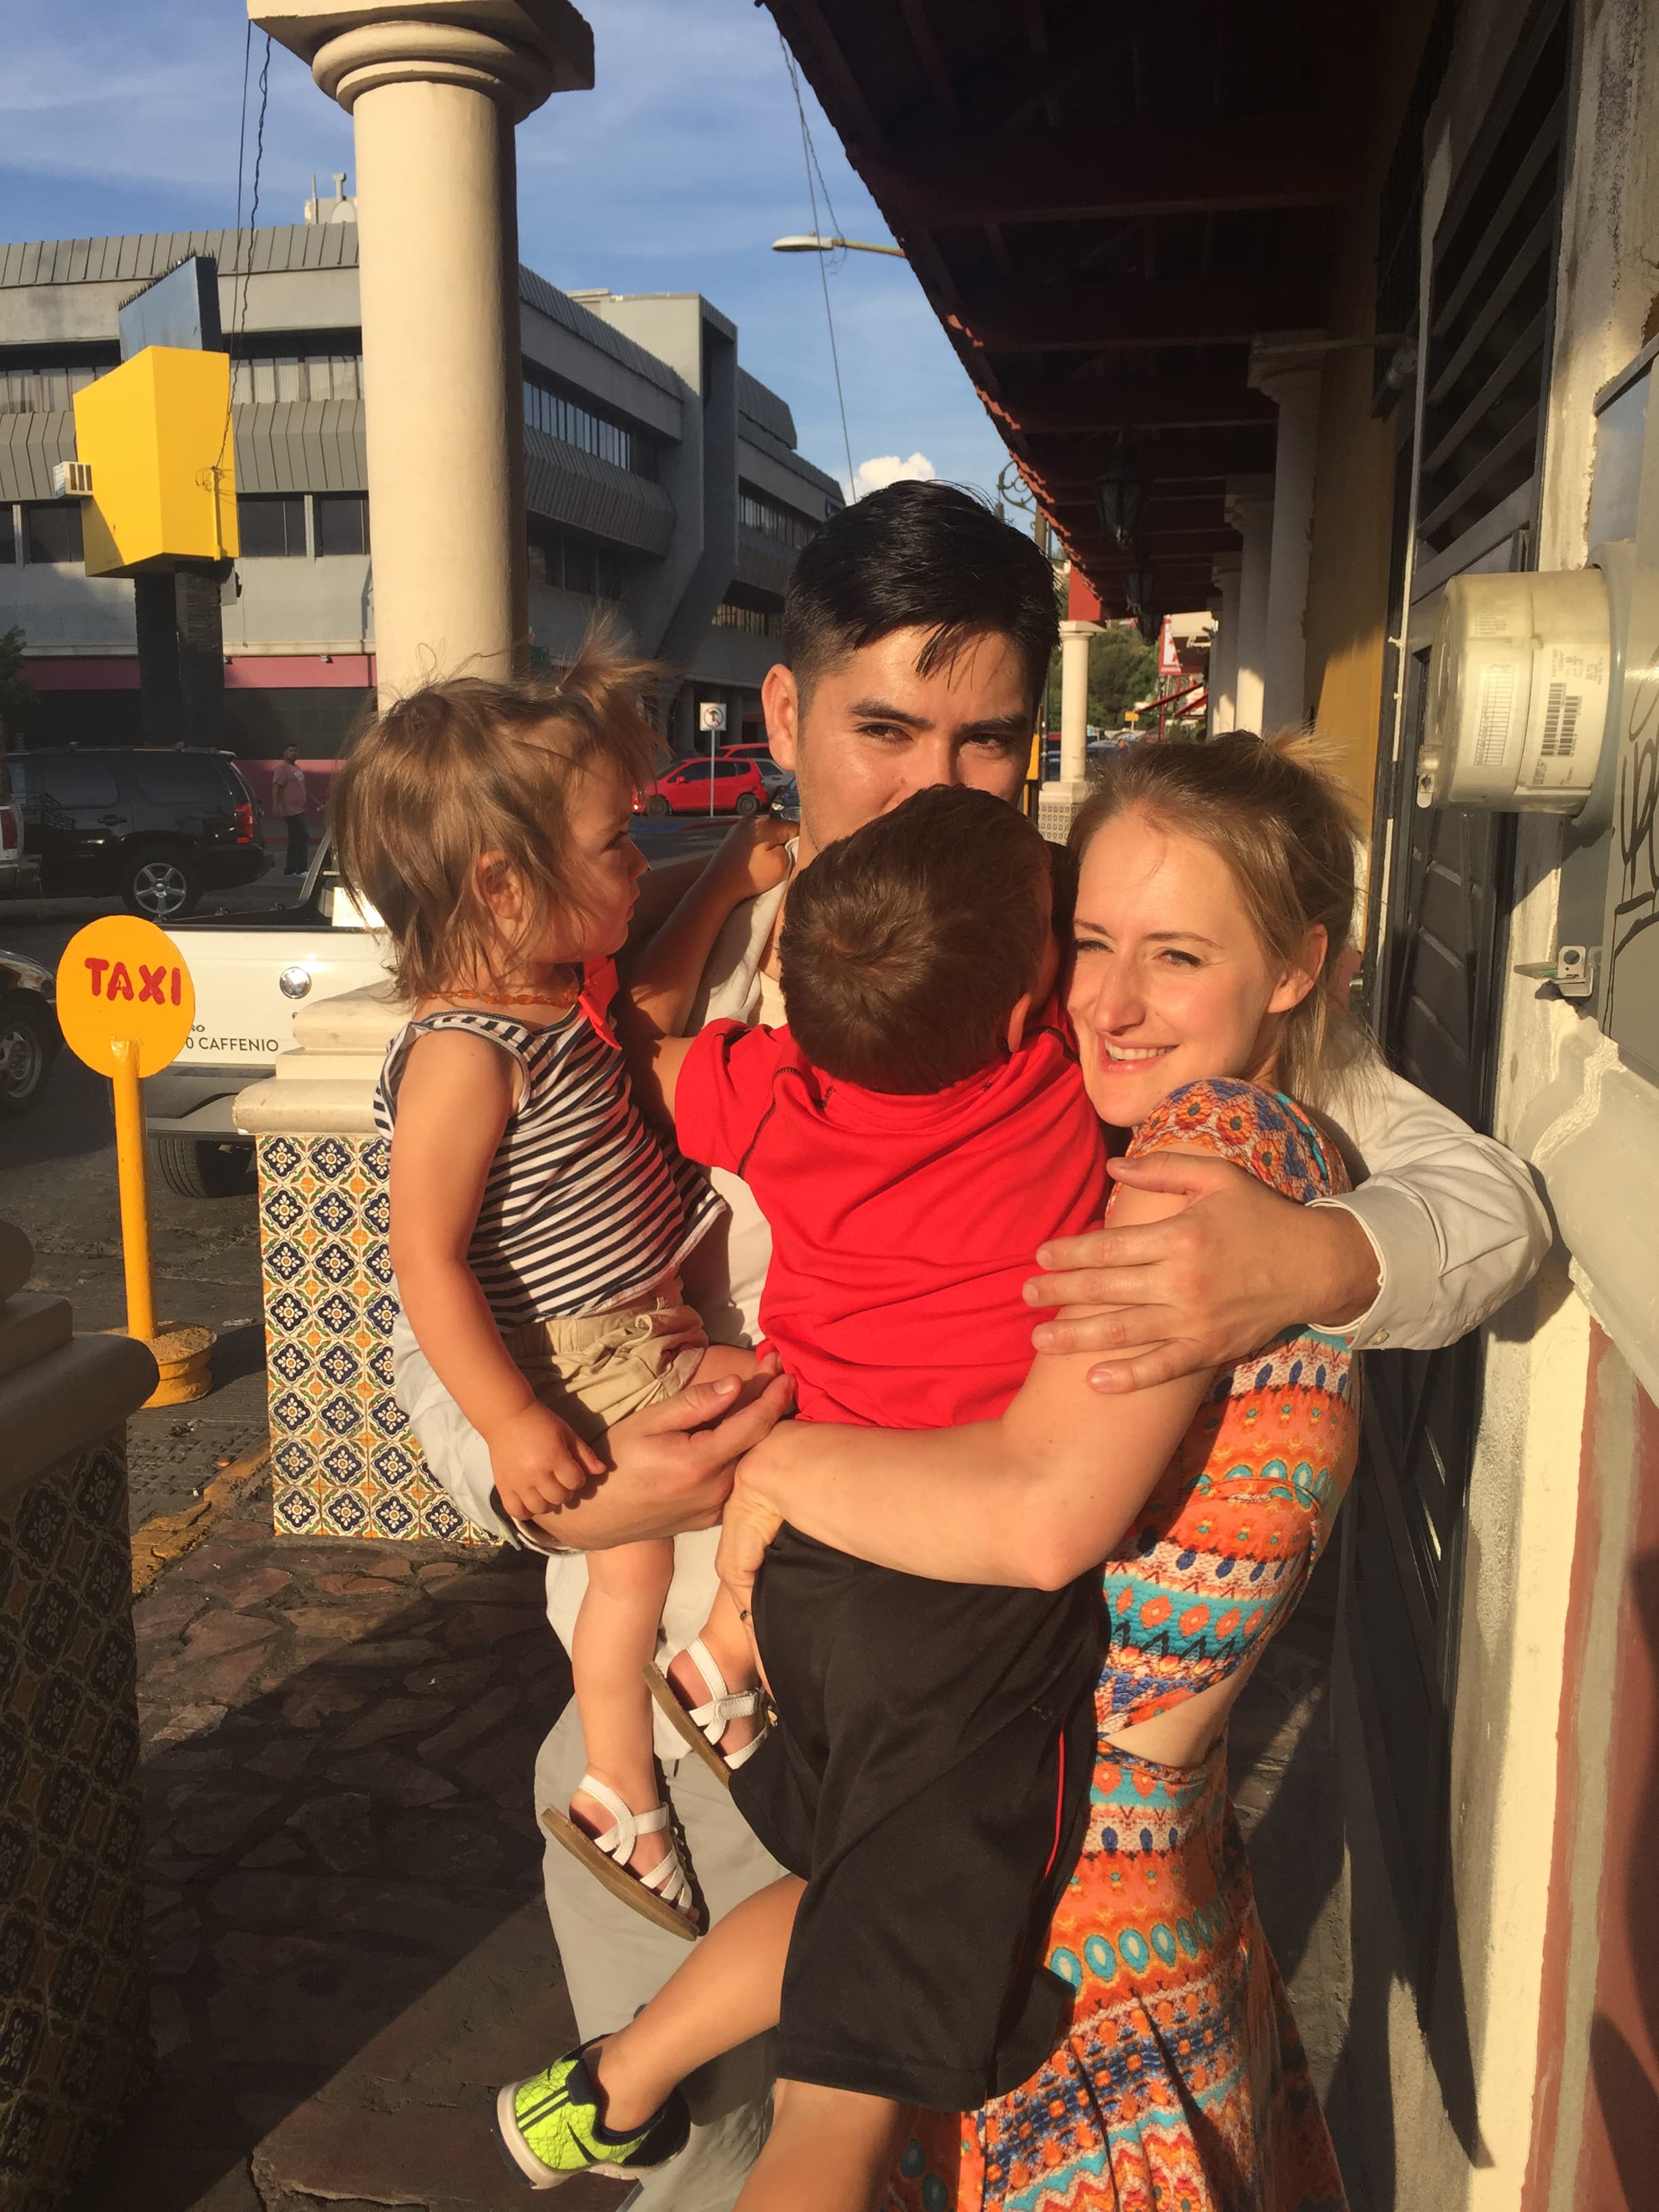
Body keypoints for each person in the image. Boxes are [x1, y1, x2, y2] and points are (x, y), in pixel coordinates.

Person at [391, 481, 1548, 2211]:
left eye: (988, 742)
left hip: (978, 1717)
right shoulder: (615, 983)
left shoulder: (1075, 961)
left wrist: (1306, 1253)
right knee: (712, 2170)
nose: (937, 784)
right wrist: (549, 1484)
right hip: (691, 1745)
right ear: (782, 715)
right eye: (884, 727)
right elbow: (445, 1313)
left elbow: (1487, 1201)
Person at [497, 730, 1369, 2210]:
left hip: (1073, 1908)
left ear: (1293, 967)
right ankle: (626, 2070)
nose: (1108, 1000)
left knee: (827, 2095)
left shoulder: (1188, 1158)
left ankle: (620, 2076)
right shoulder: (1148, 1123)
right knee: (831, 2057)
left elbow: (1041, 1520)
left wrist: (772, 1467)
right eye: (1090, 942)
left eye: (1175, 955)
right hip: (1096, 1886)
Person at [494, 784, 1128, 2189]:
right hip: (948, 1595)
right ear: (1036, 1012)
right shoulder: (1055, 1092)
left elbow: (649, 1049)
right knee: (845, 2095)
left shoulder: (779, 1094)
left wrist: (718, 888)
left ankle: (618, 2082)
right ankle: (627, 2064)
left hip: (806, 1580)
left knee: (848, 1898)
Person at [332, 647, 794, 1935]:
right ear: (501, 881)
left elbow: (651, 985)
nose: (637, 860)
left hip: (635, 1318)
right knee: (746, 1453)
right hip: (589, 1355)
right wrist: (508, 1423)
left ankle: (634, 1768)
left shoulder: (553, 990)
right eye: (615, 844)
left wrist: (728, 873)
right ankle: (671, 1722)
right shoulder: (464, 1055)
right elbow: (423, 1257)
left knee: (640, 1563)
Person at [270, 743, 310, 877]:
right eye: (291, 751)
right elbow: (276, 788)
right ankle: (301, 869)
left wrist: (316, 801)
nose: (294, 753)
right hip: (290, 811)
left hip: (299, 809)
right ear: (284, 753)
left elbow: (302, 787)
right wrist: (276, 807)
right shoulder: (282, 768)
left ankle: (290, 869)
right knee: (303, 837)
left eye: (295, 751)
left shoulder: (296, 768)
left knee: (294, 839)